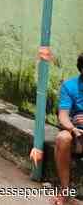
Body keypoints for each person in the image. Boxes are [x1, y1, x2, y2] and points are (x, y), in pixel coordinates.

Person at [53, 54, 83, 205]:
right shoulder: (70, 86)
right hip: (77, 134)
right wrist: (73, 128)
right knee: (62, 138)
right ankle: (65, 191)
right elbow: (63, 116)